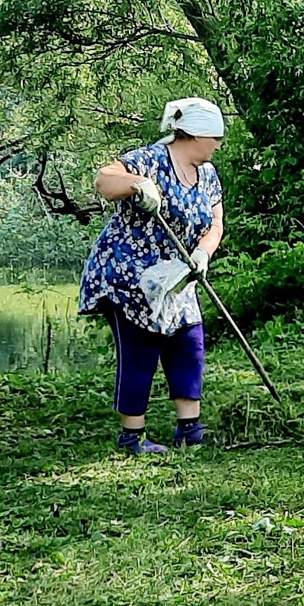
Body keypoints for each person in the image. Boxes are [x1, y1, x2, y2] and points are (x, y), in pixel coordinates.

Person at [79, 97, 226, 453]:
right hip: (129, 276)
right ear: (195, 135)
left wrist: (203, 252)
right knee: (140, 348)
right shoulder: (150, 160)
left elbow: (216, 222)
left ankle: (189, 429)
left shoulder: (207, 175)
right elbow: (105, 179)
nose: (219, 146)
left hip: (176, 277)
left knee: (189, 342)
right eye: (215, 138)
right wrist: (136, 186)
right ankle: (133, 436)